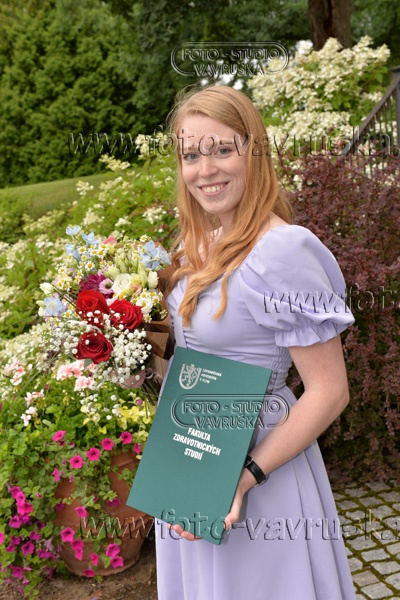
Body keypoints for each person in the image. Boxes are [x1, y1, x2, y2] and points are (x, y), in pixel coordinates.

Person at [154, 85, 356, 600]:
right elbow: (193, 360)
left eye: (223, 149)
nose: (206, 170)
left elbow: (329, 391)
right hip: (191, 456)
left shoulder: (282, 251)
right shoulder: (195, 246)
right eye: (191, 155)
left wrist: (241, 478)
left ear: (255, 153)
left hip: (259, 467)